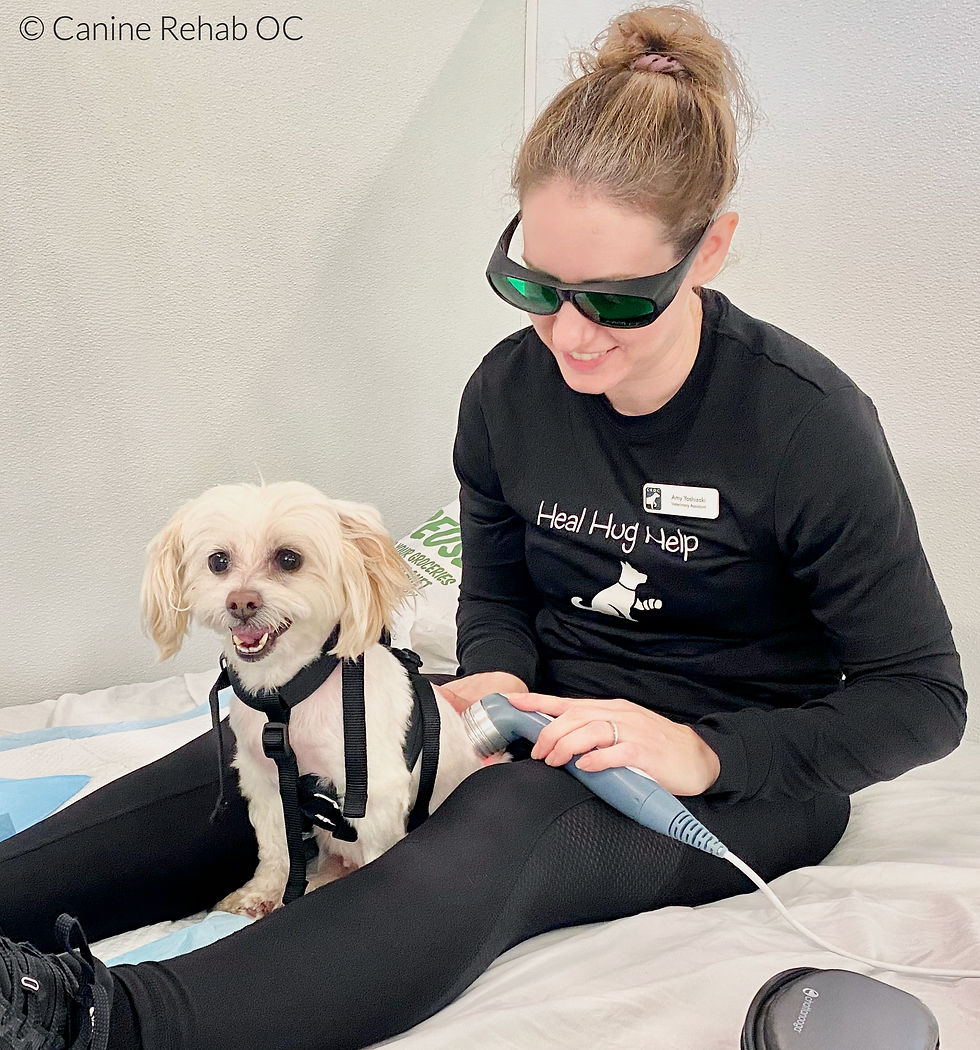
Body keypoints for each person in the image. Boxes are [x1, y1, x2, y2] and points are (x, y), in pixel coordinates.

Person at [0, 7, 966, 1050]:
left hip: (743, 774)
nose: (569, 335)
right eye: (534, 287)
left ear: (711, 248)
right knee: (273, 729)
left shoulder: (802, 425)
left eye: (618, 303)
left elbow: (922, 701)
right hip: (539, 714)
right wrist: (498, 678)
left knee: (504, 821)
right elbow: (499, 589)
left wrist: (695, 750)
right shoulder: (508, 393)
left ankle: (95, 1026)